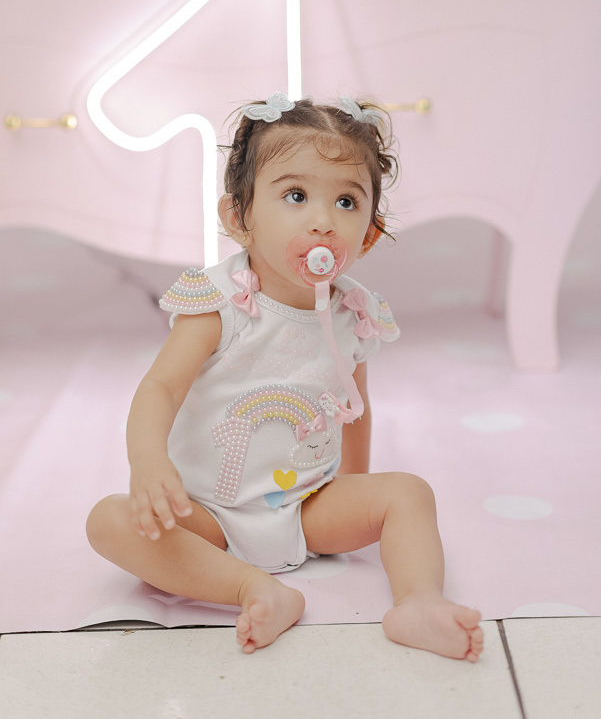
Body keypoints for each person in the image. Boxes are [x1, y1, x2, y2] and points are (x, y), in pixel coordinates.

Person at [86, 93, 483, 662]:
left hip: (305, 504)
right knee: (111, 522)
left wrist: (352, 490)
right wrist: (148, 463)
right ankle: (253, 587)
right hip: (206, 515)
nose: (324, 220)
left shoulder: (353, 314)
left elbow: (356, 404)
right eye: (296, 196)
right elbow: (160, 388)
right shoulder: (220, 302)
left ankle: (417, 601)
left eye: (347, 201)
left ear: (368, 235)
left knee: (408, 494)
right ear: (239, 218)